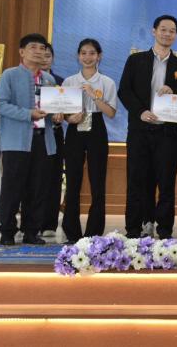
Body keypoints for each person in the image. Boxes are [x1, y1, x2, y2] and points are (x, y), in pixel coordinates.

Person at [118, 15, 177, 239]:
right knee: (136, 181)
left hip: (167, 134)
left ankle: (165, 230)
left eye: (172, 31)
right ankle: (133, 229)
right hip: (139, 131)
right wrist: (140, 111)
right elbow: (124, 91)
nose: (167, 34)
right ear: (154, 31)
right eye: (163, 29)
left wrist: (174, 92)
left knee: (166, 183)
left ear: (176, 35)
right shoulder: (136, 60)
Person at [0, 33, 61, 245]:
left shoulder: (49, 80)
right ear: (22, 52)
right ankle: (7, 232)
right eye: (33, 47)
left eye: (42, 48)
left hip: (43, 140)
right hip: (16, 142)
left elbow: (52, 110)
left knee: (38, 189)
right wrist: (28, 114)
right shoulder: (10, 75)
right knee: (13, 188)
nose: (39, 51)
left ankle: (31, 232)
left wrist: (57, 116)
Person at [61, 39, 117, 242]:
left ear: (99, 56)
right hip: (75, 130)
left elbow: (111, 113)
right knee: (73, 180)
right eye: (83, 53)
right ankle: (71, 231)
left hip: (97, 128)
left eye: (92, 53)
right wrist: (69, 118)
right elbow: (62, 111)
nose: (87, 57)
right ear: (78, 56)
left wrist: (94, 96)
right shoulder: (69, 81)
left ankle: (94, 231)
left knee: (97, 181)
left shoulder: (107, 82)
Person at [40, 43, 65, 236]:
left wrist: (62, 114)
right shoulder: (28, 80)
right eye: (40, 55)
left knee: (53, 178)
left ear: (53, 59)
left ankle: (49, 223)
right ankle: (31, 224)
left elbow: (69, 108)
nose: (44, 59)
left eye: (48, 55)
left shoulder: (60, 82)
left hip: (55, 134)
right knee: (34, 179)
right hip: (32, 135)